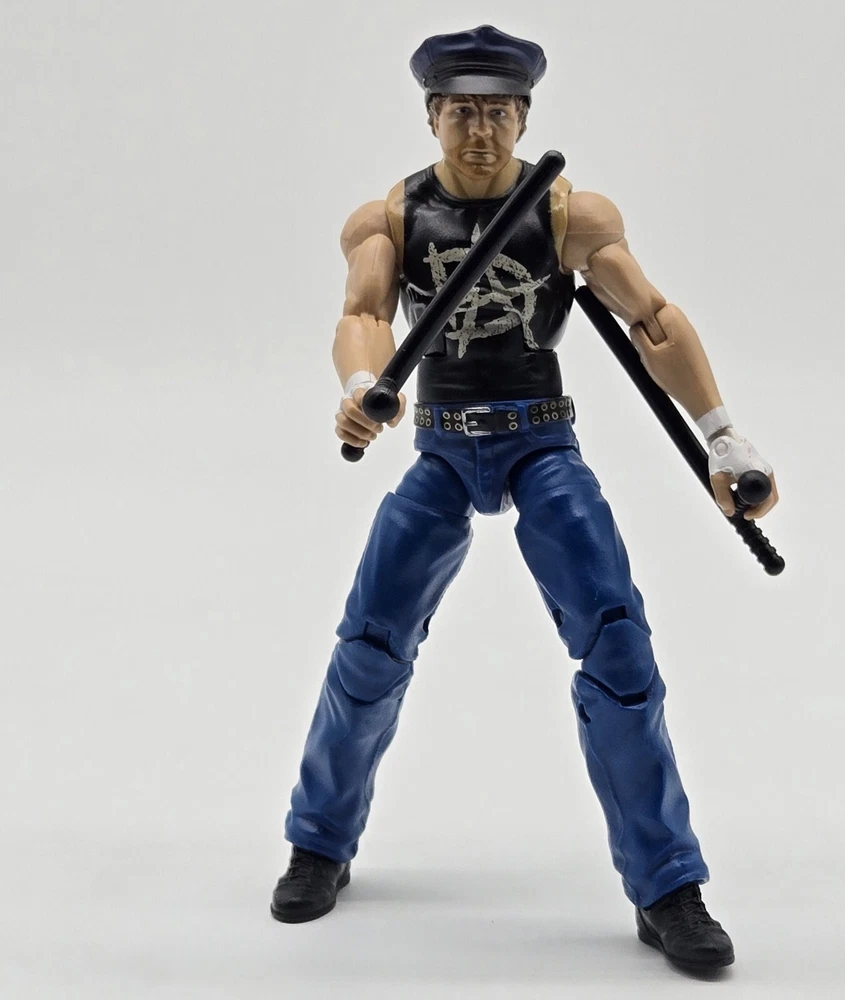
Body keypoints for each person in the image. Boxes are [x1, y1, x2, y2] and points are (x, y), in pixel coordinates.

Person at [271, 24, 778, 975]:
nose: (480, 132)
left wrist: (722, 437)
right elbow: (364, 315)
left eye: (498, 113)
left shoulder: (566, 213)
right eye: (461, 112)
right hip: (439, 445)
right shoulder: (389, 219)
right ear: (431, 116)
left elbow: (652, 320)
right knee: (371, 642)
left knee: (618, 643)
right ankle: (319, 840)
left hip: (540, 440)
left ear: (525, 118)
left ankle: (667, 883)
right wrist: (362, 388)